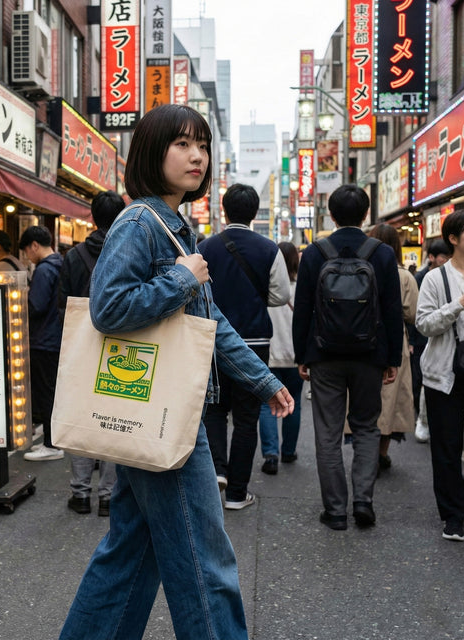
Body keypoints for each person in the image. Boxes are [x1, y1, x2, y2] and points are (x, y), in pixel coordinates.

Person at [58, 104, 293, 640]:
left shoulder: (173, 225)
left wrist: (263, 380)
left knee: (130, 555)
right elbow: (108, 307)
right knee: (205, 564)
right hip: (162, 416)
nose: (197, 156)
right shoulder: (140, 221)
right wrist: (182, 279)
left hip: (157, 412)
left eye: (203, 145)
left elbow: (211, 325)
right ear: (151, 151)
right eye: (182, 144)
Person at [293, 184, 403, 531]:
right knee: (367, 428)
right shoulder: (382, 254)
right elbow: (392, 311)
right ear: (367, 214)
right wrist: (393, 358)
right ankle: (363, 503)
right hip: (370, 354)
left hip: (324, 354)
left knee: (327, 432)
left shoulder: (315, 253)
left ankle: (336, 510)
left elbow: (304, 311)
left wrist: (302, 354)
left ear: (331, 214)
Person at [198, 185, 290, 499]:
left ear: (223, 210)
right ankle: (238, 492)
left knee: (214, 410)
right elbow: (280, 296)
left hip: (212, 340)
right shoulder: (269, 248)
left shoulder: (205, 247)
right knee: (247, 416)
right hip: (255, 342)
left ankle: (218, 473)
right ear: (254, 214)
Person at [58, 190, 125, 517]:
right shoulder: (128, 251)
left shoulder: (73, 256)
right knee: (112, 422)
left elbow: (62, 307)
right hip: (119, 347)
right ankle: (109, 496)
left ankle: (80, 494)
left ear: (92, 216)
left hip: (81, 347)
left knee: (81, 420)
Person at [415, 210, 464, 542]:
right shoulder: (438, 278)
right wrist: (457, 305)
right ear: (453, 238)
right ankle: (452, 515)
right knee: (447, 446)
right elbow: (423, 324)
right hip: (444, 373)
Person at [364, 224, 418, 472]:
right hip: (395, 340)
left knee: (366, 396)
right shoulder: (405, 276)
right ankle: (381, 453)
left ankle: (364, 450)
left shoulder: (362, 269)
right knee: (390, 399)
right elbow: (412, 313)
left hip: (363, 339)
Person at [18, 225, 64, 461]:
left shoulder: (45, 269)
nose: (27, 256)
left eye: (27, 251)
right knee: (51, 392)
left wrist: (23, 296)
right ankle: (51, 439)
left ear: (34, 245)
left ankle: (51, 444)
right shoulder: (59, 263)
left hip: (44, 339)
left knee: (47, 393)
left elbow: (36, 306)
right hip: (54, 337)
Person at [258, 242, 304, 465]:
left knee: (268, 404)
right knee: (293, 402)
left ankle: (270, 454)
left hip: (270, 355)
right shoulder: (302, 289)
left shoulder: (267, 288)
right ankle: (288, 451)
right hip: (296, 357)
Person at [409, 238, 450, 443]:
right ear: (432, 257)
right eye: (443, 256)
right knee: (420, 379)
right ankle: (421, 418)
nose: (446, 259)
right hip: (422, 337)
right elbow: (417, 315)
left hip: (445, 339)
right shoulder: (423, 278)